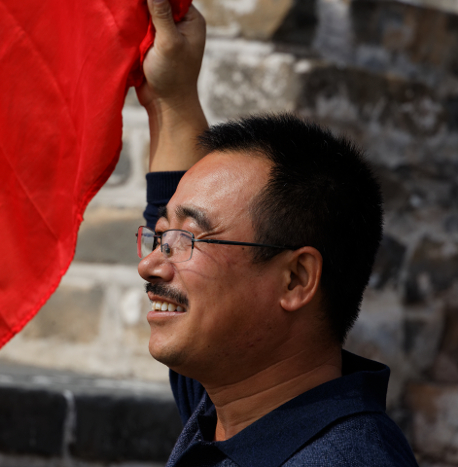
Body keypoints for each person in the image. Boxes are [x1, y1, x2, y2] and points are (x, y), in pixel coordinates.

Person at [135, 0, 419, 465]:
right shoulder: (237, 407)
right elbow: (176, 205)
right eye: (162, 237)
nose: (150, 263)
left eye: (188, 239)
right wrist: (172, 96)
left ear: (295, 279)